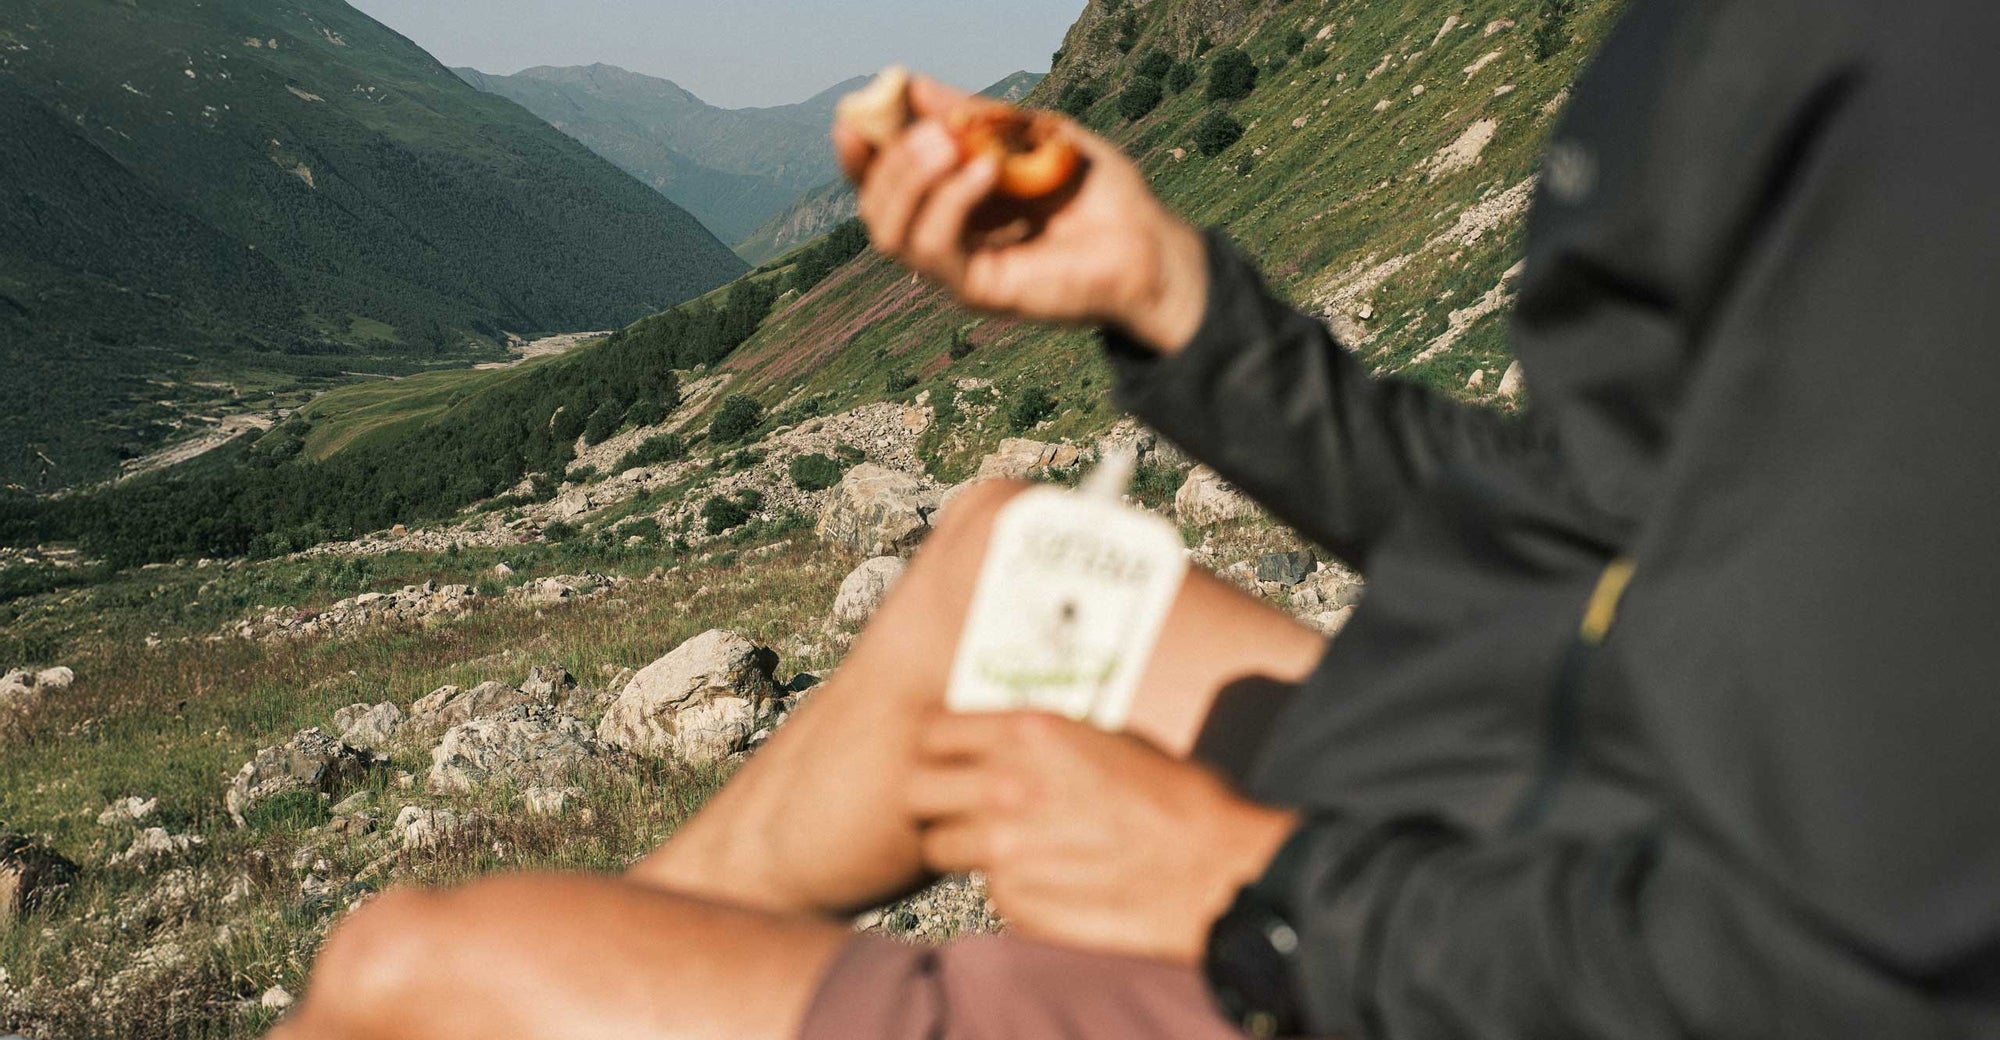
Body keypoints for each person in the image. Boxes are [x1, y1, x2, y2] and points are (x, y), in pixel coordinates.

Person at [272, 2, 2000, 1037]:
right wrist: (1176, 300)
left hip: (1524, 962)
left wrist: (1257, 885)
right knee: (1005, 575)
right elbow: (1603, 532)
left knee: (422, 970)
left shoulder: (1922, 86)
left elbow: (1850, 975)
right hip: (1576, 780)